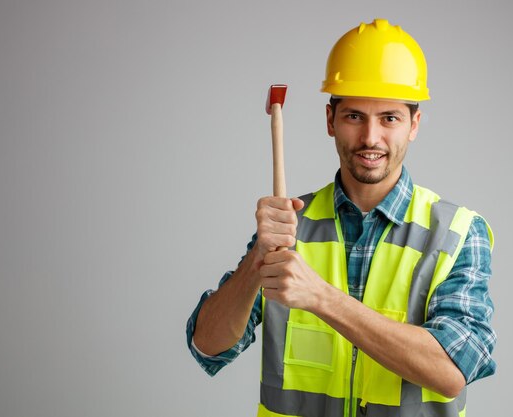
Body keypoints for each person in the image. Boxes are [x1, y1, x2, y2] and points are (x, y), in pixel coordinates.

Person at [186, 18, 496, 417]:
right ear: (330, 120)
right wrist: (256, 261)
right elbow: (208, 347)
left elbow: (454, 368)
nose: (370, 137)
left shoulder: (456, 234)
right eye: (354, 117)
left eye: (389, 118)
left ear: (413, 125)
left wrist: (321, 297)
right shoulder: (289, 225)